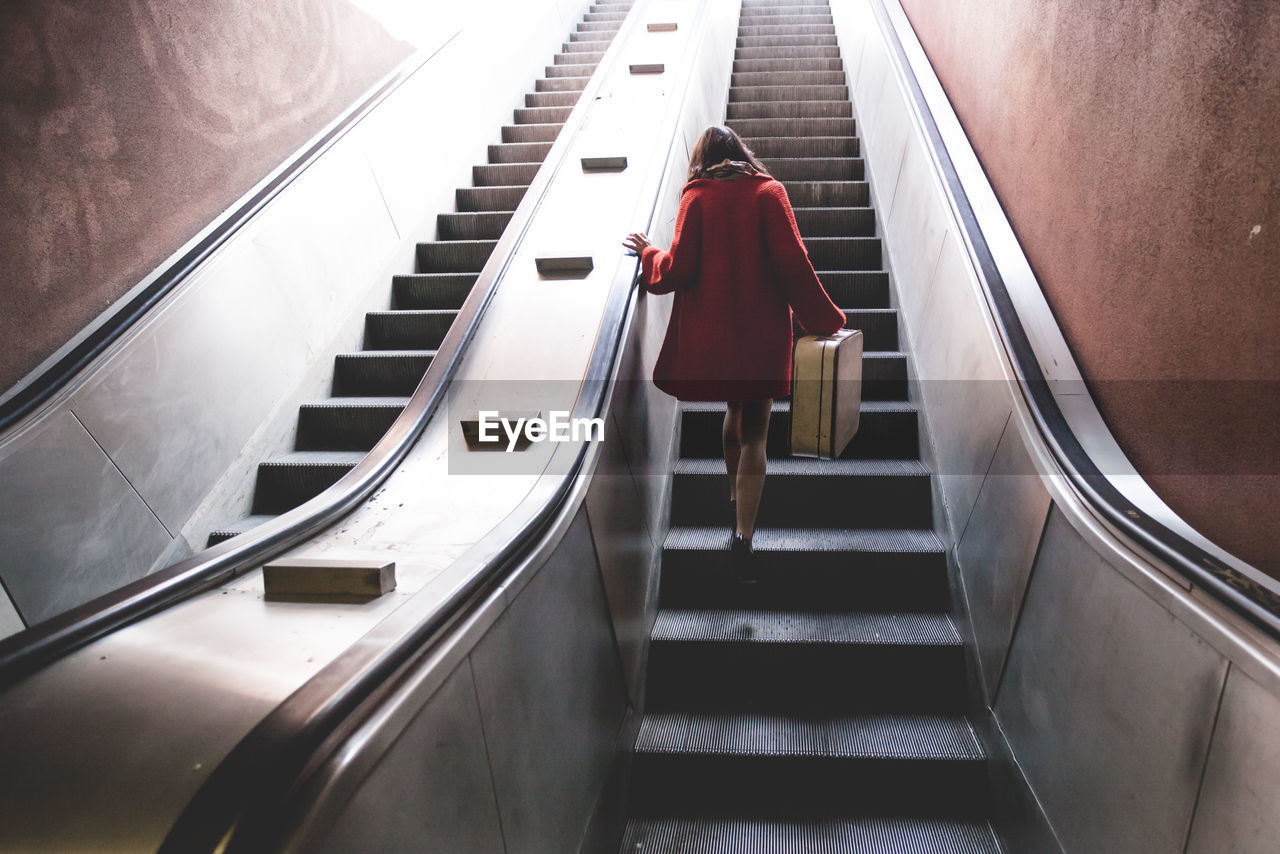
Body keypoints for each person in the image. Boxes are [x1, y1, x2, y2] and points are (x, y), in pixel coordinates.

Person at [623, 125, 846, 566]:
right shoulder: (770, 193)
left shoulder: (696, 197)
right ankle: (744, 534)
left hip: (715, 334)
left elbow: (677, 269)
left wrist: (650, 254)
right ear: (741, 153)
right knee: (757, 430)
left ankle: (732, 497)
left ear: (702, 159)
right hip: (762, 332)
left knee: (733, 412)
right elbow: (793, 262)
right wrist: (823, 320)